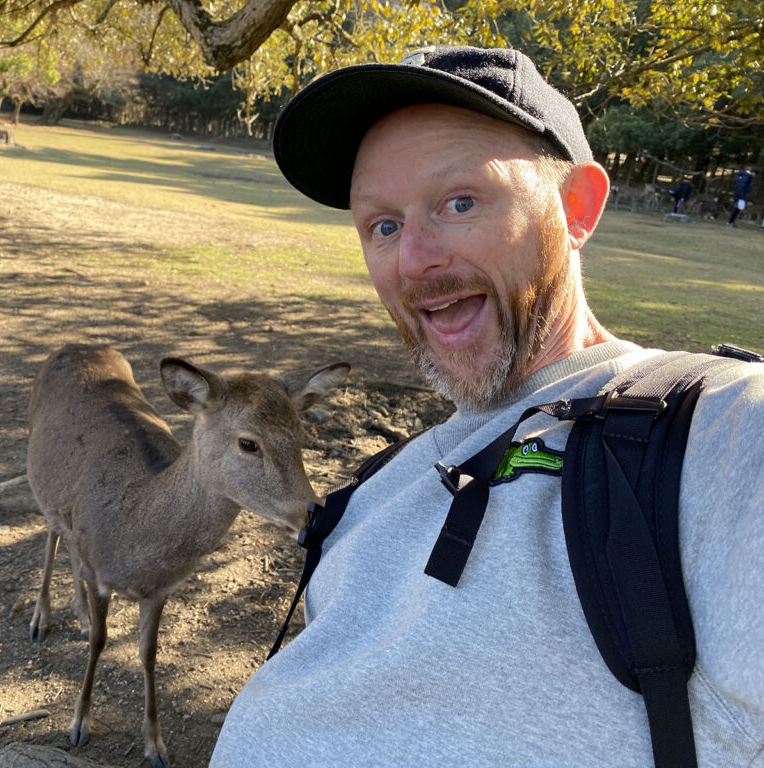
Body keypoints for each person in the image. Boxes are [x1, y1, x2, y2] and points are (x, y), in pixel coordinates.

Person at [210, 45, 764, 767]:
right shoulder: (380, 485)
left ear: (575, 207)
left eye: (460, 203)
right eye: (383, 225)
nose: (413, 261)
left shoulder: (720, 429)